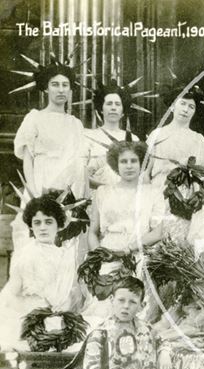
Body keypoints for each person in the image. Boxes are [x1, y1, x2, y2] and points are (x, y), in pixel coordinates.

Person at [12, 61, 87, 250]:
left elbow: (79, 161)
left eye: (65, 85)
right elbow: (28, 159)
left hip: (68, 187)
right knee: (37, 242)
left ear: (70, 89)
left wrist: (75, 196)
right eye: (55, 84)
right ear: (46, 88)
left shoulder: (75, 123)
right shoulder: (35, 118)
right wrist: (34, 193)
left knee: (65, 243)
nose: (60, 90)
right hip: (41, 182)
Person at [0, 196, 82, 350]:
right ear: (31, 226)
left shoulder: (66, 255)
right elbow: (12, 294)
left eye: (48, 222)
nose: (43, 228)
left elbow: (69, 294)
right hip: (28, 312)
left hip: (59, 312)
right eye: (37, 223)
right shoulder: (26, 254)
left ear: (59, 225)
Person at [88, 141, 164, 253]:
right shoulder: (102, 192)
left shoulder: (153, 193)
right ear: (116, 165)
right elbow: (93, 233)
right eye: (123, 162)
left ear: (141, 164)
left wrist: (127, 250)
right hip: (107, 254)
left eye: (133, 161)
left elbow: (157, 233)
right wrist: (98, 255)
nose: (129, 166)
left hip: (139, 255)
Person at [147, 87, 204, 188]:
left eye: (191, 107)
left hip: (190, 192)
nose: (186, 110)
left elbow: (203, 170)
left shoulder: (199, 139)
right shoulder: (157, 134)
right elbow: (146, 171)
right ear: (172, 107)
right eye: (182, 104)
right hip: (159, 189)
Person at [85, 81, 140, 188]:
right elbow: (81, 175)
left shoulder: (134, 139)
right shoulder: (88, 137)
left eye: (118, 104)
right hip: (97, 196)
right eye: (109, 104)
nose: (113, 108)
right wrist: (108, 188)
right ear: (101, 108)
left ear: (123, 110)